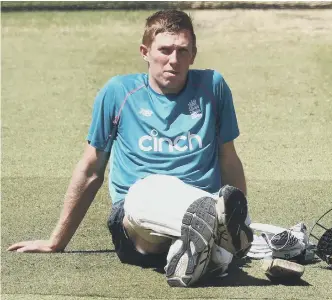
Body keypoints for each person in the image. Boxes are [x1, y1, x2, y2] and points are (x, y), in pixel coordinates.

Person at [7, 9, 254, 287]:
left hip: (202, 199)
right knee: (145, 190)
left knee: (227, 215)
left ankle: (197, 249)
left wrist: (242, 215)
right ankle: (215, 242)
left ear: (193, 55)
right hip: (137, 224)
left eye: (183, 51)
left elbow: (228, 160)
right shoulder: (118, 92)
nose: (174, 60)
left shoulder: (213, 87)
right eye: (165, 50)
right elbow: (91, 170)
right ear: (145, 52)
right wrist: (56, 241)